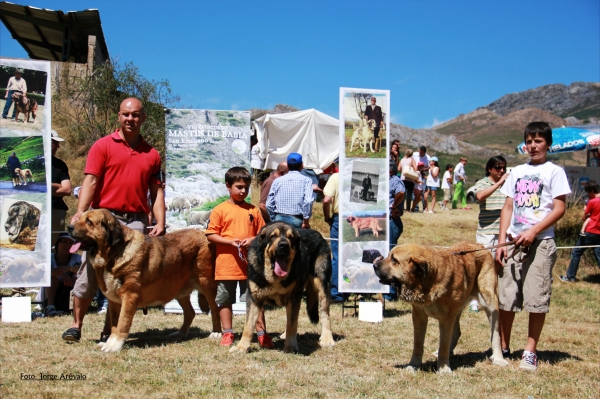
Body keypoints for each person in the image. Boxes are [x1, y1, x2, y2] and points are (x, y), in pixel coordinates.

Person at [61, 98, 165, 343]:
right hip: (102, 219)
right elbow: (91, 181)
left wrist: (160, 221)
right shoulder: (103, 145)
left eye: (136, 115)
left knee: (124, 279)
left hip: (135, 222)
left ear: (143, 118)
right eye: (126, 114)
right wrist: (81, 211)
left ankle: (112, 329)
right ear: (119, 116)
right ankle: (76, 325)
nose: (131, 119)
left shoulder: (152, 154)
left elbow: (157, 191)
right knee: (89, 272)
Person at [496, 121, 571, 371]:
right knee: (507, 295)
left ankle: (530, 350)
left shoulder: (554, 171)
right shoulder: (516, 172)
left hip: (541, 242)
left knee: (536, 297)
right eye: (528, 141)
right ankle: (503, 346)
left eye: (538, 141)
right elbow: (508, 207)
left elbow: (559, 208)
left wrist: (534, 230)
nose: (532, 146)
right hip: (513, 242)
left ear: (548, 144)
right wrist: (500, 242)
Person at [205, 167, 272, 348]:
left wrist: (253, 239)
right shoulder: (219, 210)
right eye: (239, 187)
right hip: (226, 265)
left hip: (250, 267)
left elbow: (264, 233)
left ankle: (262, 334)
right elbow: (211, 235)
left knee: (255, 299)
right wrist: (230, 243)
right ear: (228, 186)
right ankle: (228, 333)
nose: (243, 191)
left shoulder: (254, 210)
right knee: (225, 300)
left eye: (246, 188)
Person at [469, 155, 510, 313]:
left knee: (498, 266)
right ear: (489, 169)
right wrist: (499, 183)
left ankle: (493, 297)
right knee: (481, 267)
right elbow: (479, 196)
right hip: (486, 233)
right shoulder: (482, 183)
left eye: (503, 168)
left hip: (502, 233)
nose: (501, 171)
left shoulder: (507, 185)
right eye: (498, 168)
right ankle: (474, 299)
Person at [561, 181, 600, 282]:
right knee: (598, 255)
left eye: (588, 192)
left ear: (591, 191)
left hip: (590, 231)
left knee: (576, 252)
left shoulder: (592, 202)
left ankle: (571, 277)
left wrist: (585, 211)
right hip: (599, 233)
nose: (588, 194)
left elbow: (585, 217)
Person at [266, 153, 314, 229]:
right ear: (302, 165)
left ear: (287, 166)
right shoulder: (306, 180)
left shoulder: (277, 181)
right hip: (296, 219)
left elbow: (269, 204)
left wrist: (273, 219)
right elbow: (308, 201)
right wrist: (306, 221)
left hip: (279, 219)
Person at [43, 233, 81, 317]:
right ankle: (50, 307)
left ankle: (75, 305)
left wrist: (67, 268)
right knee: (53, 278)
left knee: (76, 276)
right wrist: (62, 274)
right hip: (50, 290)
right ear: (57, 244)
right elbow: (44, 272)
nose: (66, 245)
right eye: (63, 241)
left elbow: (82, 270)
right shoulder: (49, 258)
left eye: (70, 243)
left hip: (69, 286)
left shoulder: (77, 258)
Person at [386, 158, 405, 301]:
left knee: (391, 256)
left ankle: (391, 293)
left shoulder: (395, 180)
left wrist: (393, 207)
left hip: (392, 221)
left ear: (390, 170)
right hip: (385, 220)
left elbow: (401, 193)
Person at [323, 172, 344, 303]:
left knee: (337, 256)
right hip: (361, 217)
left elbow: (326, 200)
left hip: (339, 218)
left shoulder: (336, 177)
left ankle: (336, 294)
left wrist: (327, 217)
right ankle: (362, 291)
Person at [50, 130, 72, 244]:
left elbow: (67, 190)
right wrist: (56, 186)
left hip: (56, 210)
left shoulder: (60, 165)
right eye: (54, 143)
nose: (57, 146)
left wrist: (46, 187)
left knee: (53, 246)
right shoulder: (35, 164)